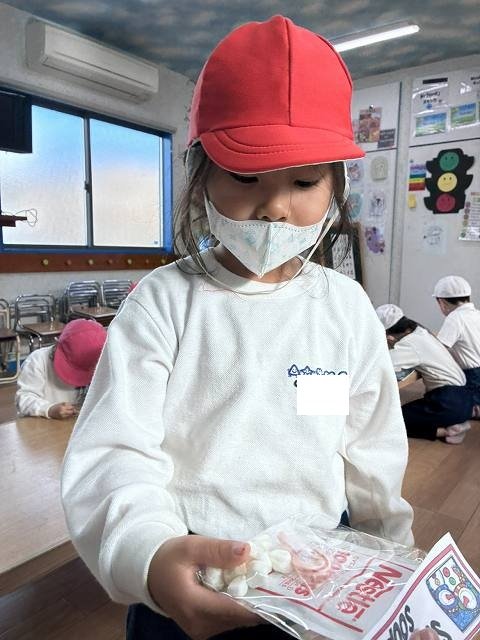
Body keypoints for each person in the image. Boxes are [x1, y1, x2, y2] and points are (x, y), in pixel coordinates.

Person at [62, 16, 435, 640]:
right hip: (189, 575)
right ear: (200, 176)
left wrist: (395, 566)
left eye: (304, 181)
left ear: (336, 186)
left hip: (318, 576)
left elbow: (371, 452)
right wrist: (148, 554)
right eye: (245, 176)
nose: (274, 206)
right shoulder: (163, 304)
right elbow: (113, 451)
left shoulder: (346, 309)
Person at [376, 304, 473, 444]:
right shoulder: (420, 331)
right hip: (464, 398)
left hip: (449, 402)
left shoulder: (408, 345)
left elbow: (380, 365)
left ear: (389, 337)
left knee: (389, 420)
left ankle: (446, 431)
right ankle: (455, 424)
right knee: (402, 413)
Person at [16, 318, 107, 419]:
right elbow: (24, 398)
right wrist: (48, 409)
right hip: (39, 423)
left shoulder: (100, 365)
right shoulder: (37, 361)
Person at [433, 275, 480, 416]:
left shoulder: (455, 318)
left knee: (442, 402)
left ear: (442, 302)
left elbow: (438, 349)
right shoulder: (477, 314)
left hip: (473, 376)